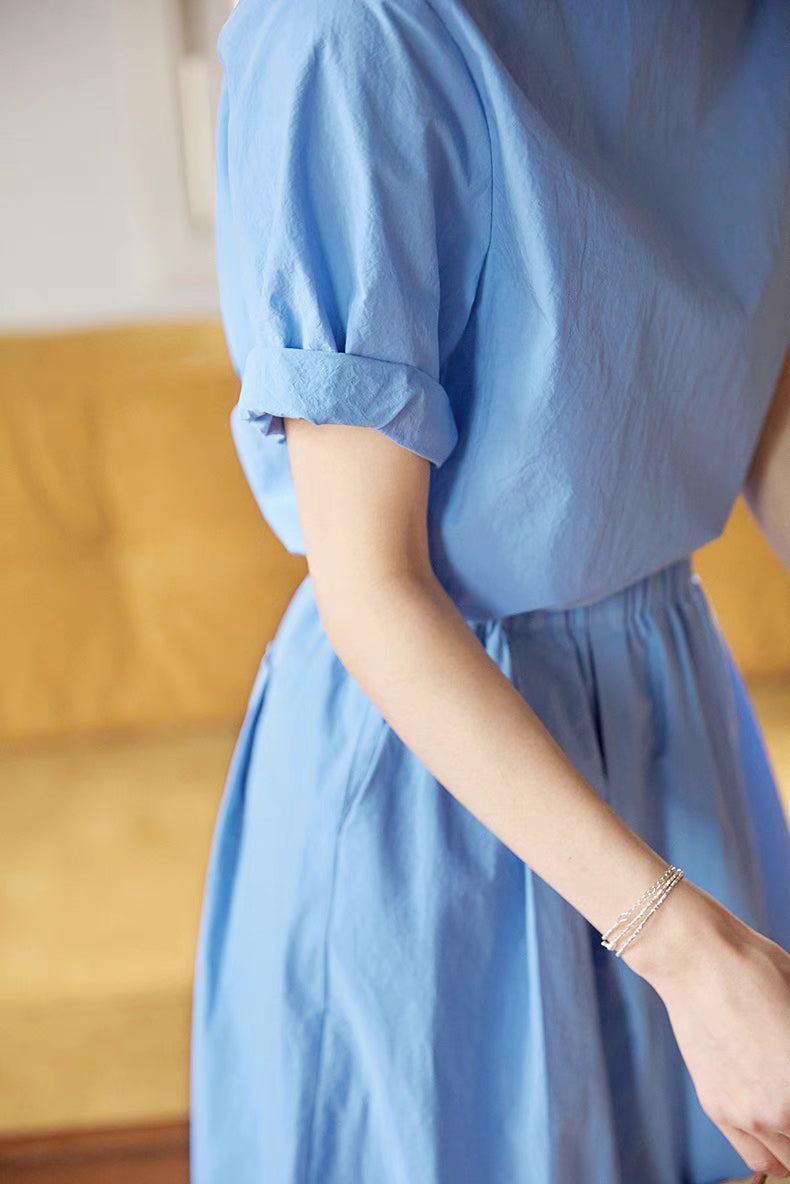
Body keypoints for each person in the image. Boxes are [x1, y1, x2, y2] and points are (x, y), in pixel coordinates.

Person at [190, 0, 790, 1180]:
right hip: (431, 767)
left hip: (674, 718)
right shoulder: (358, 32)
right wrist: (684, 951)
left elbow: (758, 401)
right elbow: (372, 581)